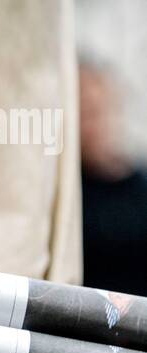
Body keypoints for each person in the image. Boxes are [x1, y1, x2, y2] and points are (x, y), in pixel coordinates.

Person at [80, 61, 147, 297]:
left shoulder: (140, 189)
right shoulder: (69, 196)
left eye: (98, 111)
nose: (92, 125)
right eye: (84, 114)